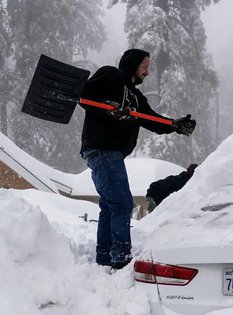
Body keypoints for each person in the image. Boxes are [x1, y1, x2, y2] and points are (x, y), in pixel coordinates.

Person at [79, 48, 196, 269]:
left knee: (110, 205)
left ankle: (104, 256)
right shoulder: (110, 75)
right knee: (123, 203)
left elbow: (152, 120)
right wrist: (110, 108)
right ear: (133, 65)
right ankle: (121, 256)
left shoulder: (135, 97)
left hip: (110, 155)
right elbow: (85, 96)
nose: (148, 72)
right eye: (145, 66)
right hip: (102, 149)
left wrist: (174, 125)